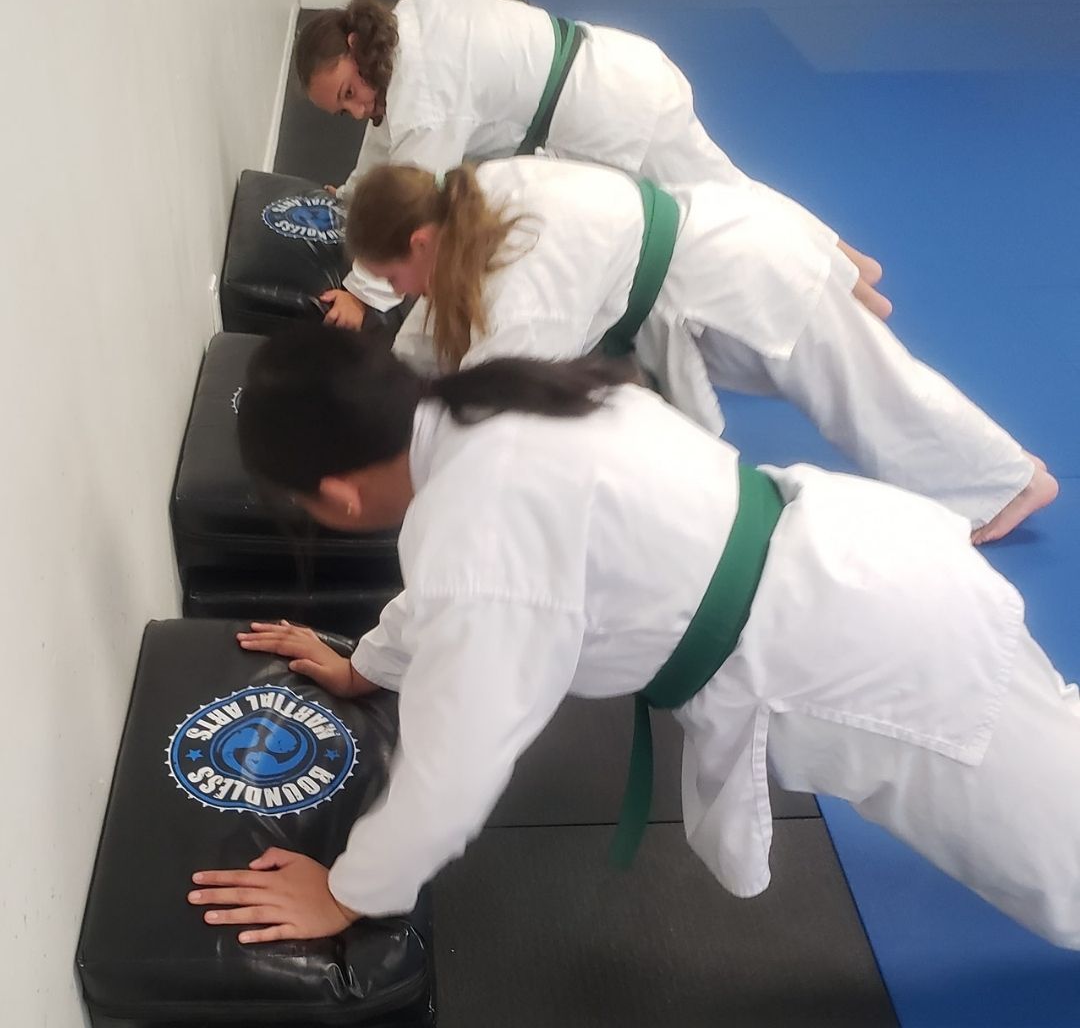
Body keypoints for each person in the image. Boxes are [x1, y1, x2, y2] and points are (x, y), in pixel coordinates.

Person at [188, 326, 1080, 954]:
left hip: (871, 662)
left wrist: (349, 890)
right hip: (874, 564)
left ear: (337, 497)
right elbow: (455, 606)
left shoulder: (473, 525)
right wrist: (364, 667)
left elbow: (453, 763)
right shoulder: (484, 403)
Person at [342, 156, 1054, 544]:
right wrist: (390, 375)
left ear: (421, 242)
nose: (404, 294)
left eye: (394, 278)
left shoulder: (527, 282)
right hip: (710, 266)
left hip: (742, 275)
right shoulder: (477, 191)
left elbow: (497, 396)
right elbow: (442, 339)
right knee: (852, 390)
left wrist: (407, 459)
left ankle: (1013, 480)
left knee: (872, 400)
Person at [293, 0, 891, 324]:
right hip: (615, 73)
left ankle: (848, 289)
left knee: (730, 206)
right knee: (732, 191)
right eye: (339, 109)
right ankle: (851, 262)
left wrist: (362, 292)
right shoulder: (402, 26)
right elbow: (383, 127)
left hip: (624, 112)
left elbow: (411, 193)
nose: (353, 109)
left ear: (353, 45)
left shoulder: (427, 94)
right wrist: (349, 193)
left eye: (347, 92)